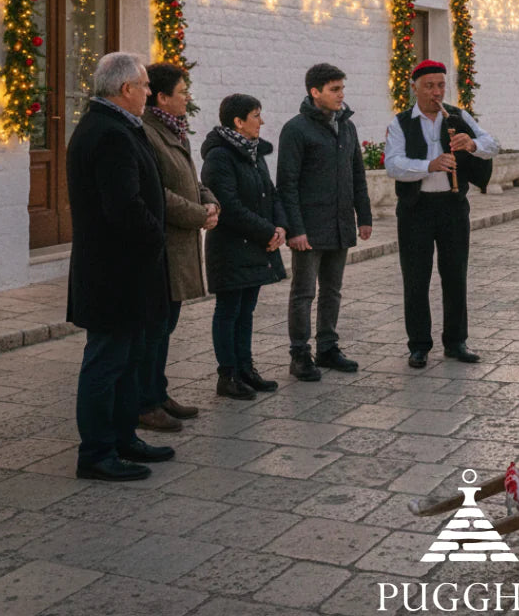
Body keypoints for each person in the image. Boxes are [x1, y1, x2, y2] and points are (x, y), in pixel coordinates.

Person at [67, 52, 175, 482]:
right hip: (115, 272)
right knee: (106, 362)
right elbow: (123, 206)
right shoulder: (109, 133)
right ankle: (96, 451)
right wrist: (157, 235)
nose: (150, 93)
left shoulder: (115, 126)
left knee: (128, 359)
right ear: (126, 88)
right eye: (146, 85)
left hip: (127, 272)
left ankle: (123, 437)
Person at [384, 60, 498, 368]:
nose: (436, 92)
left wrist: (472, 143)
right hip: (415, 208)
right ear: (415, 88)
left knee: (455, 274)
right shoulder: (401, 122)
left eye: (440, 86)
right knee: (416, 278)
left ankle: (456, 341)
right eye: (429, 86)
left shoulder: (459, 116)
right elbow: (393, 164)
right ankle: (419, 344)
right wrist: (428, 166)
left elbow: (492, 144)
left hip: (452, 206)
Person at [277, 62, 373, 381]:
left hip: (341, 223)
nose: (341, 95)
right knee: (304, 292)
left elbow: (357, 173)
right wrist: (296, 229)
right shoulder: (296, 129)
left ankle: (328, 347)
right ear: (314, 92)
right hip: (309, 228)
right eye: (334, 90)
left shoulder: (347, 126)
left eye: (342, 89)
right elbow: (287, 184)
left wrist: (365, 216)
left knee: (333, 290)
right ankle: (300, 354)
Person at [138, 62, 219, 432]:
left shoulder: (177, 132)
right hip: (163, 246)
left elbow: (192, 177)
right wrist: (198, 215)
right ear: (162, 97)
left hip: (182, 243)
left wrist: (210, 200)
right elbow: (159, 193)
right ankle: (145, 401)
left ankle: (158, 391)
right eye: (182, 92)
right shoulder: (147, 134)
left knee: (167, 324)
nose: (188, 97)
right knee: (154, 327)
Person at [201, 94, 287, 399]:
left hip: (256, 244)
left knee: (246, 310)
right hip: (231, 246)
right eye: (256, 115)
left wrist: (279, 227)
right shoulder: (219, 157)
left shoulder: (253, 153)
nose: (261, 121)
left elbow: (271, 193)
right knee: (229, 310)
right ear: (238, 122)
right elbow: (229, 206)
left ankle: (245, 368)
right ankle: (228, 375)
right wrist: (267, 232)